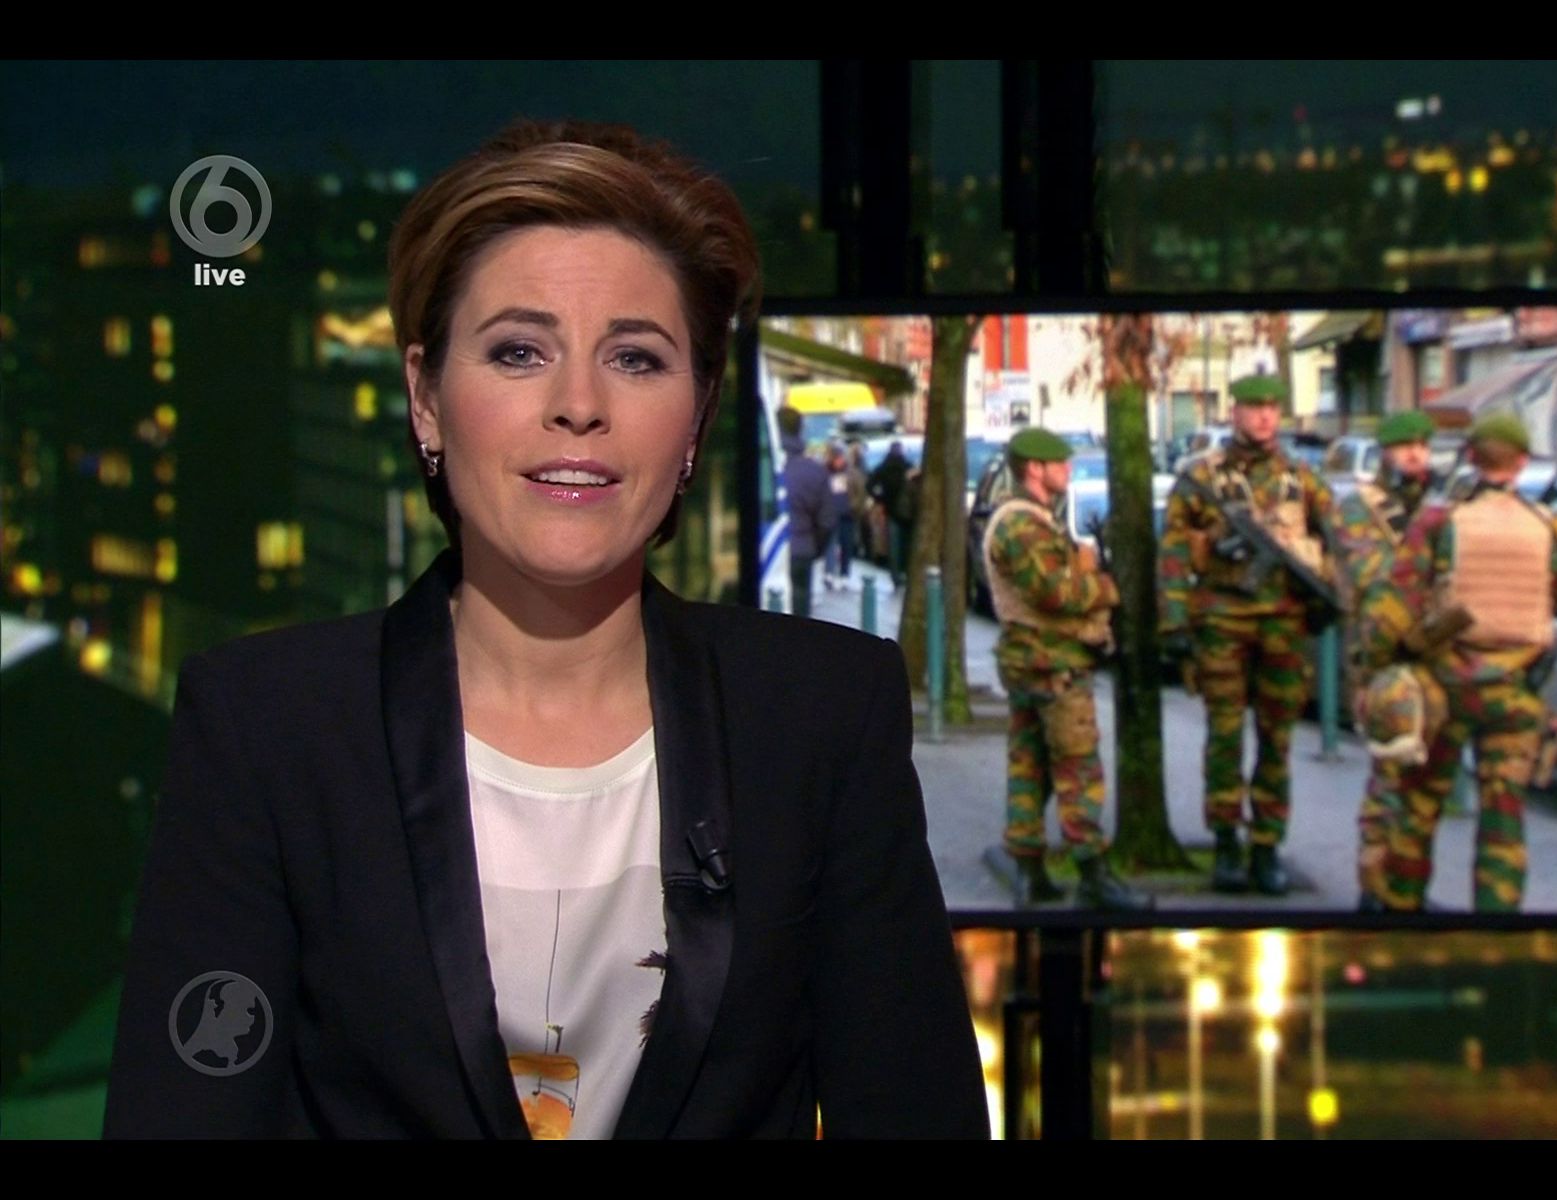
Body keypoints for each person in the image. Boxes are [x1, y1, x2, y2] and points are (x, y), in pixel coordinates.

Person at [103, 119, 987, 1140]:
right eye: (519, 352)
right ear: (425, 398)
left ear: (698, 416)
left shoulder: (823, 714)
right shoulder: (266, 727)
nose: (578, 405)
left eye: (636, 358)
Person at [1358, 413, 1557, 913]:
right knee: (1505, 816)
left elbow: (1393, 610)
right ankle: (1496, 926)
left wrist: (1378, 670)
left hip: (1445, 685)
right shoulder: (1552, 527)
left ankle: (1403, 914)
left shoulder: (1439, 522)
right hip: (1517, 691)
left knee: (1417, 807)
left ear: (1471, 458)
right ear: (1522, 463)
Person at [1158, 374, 1339, 896]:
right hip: (1222, 622)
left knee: (1277, 739)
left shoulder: (1302, 479)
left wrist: (1328, 598)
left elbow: (1338, 546)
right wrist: (1174, 620)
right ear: (1234, 412)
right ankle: (1225, 843)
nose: (1263, 417)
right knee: (1224, 736)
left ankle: (1266, 845)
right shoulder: (1203, 478)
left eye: (1271, 408)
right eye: (1253, 408)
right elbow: (1173, 551)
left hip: (1284, 624)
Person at [985, 428, 1152, 911]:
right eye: (1060, 463)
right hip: (1052, 664)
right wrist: (1107, 587)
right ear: (1034, 469)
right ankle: (1093, 875)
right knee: (1078, 767)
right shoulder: (1021, 525)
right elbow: (1056, 593)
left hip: (1033, 662)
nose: (1069, 469)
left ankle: (1030, 873)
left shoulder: (1032, 519)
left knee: (1030, 765)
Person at [1328, 410, 1439, 911]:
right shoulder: (1361, 508)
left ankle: (1409, 888)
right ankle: (1374, 886)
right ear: (1385, 454)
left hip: (1435, 652)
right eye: (1404, 447)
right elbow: (1376, 578)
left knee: (1426, 782)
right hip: (1383, 654)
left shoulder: (1436, 507)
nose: (1415, 455)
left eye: (1422, 446)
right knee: (1390, 774)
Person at [777, 407, 830, 616]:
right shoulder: (814, 471)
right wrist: (814, 548)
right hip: (802, 551)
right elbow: (827, 521)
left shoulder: (765, 465)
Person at [868, 441, 912, 586]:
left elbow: (869, 485)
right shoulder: (908, 467)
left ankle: (895, 576)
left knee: (894, 546)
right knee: (907, 545)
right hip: (909, 514)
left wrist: (880, 498)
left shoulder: (883, 468)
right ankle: (906, 572)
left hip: (891, 511)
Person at [823, 441, 857, 590]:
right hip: (831, 515)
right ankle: (829, 573)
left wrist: (854, 507)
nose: (839, 461)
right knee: (830, 545)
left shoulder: (850, 473)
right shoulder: (825, 473)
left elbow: (859, 491)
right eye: (837, 458)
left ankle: (844, 574)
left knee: (846, 545)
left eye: (841, 458)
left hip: (847, 515)